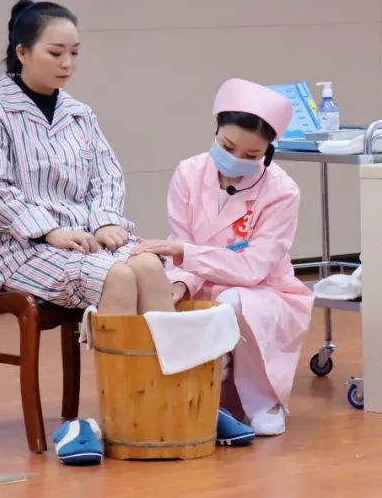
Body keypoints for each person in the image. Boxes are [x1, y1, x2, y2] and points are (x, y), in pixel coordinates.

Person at [0, 0, 254, 465]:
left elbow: (108, 177)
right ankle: (120, 419)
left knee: (148, 266)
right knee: (118, 277)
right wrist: (50, 232)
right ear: (22, 52)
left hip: (88, 241)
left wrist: (105, 221)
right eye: (55, 52)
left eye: (75, 53)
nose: (67, 63)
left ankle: (174, 404)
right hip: (21, 249)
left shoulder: (80, 114)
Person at [133, 78, 314, 437]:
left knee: (233, 302)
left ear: (268, 152)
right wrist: (180, 282)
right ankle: (205, 395)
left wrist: (185, 254)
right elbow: (181, 241)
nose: (235, 160)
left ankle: (264, 402)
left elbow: (253, 268)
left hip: (265, 291)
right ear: (215, 130)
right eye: (227, 146)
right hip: (201, 282)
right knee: (165, 302)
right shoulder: (188, 173)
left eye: (251, 155)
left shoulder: (282, 192)